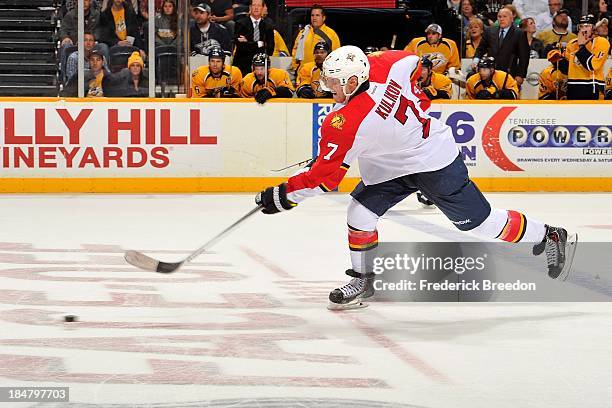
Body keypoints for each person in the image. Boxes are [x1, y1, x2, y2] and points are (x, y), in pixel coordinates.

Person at [255, 46, 575, 309]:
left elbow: (322, 180)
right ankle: (363, 280)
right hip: (392, 167)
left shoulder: (347, 121)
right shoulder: (384, 64)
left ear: (354, 81)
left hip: (432, 160)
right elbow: (412, 59)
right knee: (359, 214)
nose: (329, 87)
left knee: (482, 224)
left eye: (335, 82)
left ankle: (549, 236)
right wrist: (415, 93)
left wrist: (282, 196)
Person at [474, 7, 530, 89]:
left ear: (511, 19)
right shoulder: (490, 31)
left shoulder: (519, 33)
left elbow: (524, 57)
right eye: (499, 17)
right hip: (490, 75)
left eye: (505, 16)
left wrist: (520, 75)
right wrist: (476, 60)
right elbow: (481, 49)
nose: (501, 19)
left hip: (510, 74)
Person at [565, 14, 610, 100]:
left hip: (593, 87)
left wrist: (582, 45)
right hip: (573, 88)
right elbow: (567, 67)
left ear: (593, 28)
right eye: (581, 26)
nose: (583, 29)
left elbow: (592, 66)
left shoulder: (602, 42)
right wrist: (558, 60)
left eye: (587, 26)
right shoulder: (572, 43)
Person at [291, 4, 341, 73]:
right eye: (312, 15)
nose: (314, 18)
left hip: (321, 74)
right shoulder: (303, 32)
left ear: (323, 18)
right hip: (303, 73)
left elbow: (336, 55)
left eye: (317, 15)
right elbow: (295, 51)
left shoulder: (331, 34)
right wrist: (294, 68)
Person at [233, 0, 274, 79]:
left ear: (262, 8)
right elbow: (241, 47)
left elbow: (270, 49)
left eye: (259, 5)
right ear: (250, 7)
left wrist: (248, 42)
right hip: (242, 63)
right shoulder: (240, 24)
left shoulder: (268, 26)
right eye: (254, 5)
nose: (256, 8)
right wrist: (260, 43)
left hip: (260, 67)